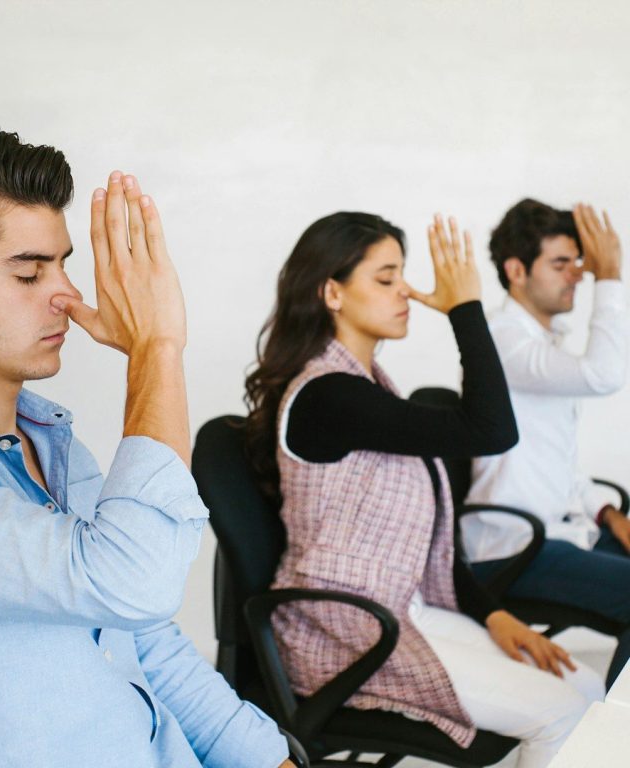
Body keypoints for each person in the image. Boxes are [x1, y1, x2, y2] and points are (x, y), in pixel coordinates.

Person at [0, 127, 293, 768]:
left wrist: (271, 761)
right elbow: (132, 583)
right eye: (30, 271)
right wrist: (156, 352)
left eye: (63, 264)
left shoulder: (57, 448)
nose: (65, 293)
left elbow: (149, 642)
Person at [244, 211, 604, 768]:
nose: (406, 290)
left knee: (585, 688)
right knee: (561, 710)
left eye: (402, 275)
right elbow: (492, 431)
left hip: (406, 610)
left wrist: (496, 617)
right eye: (386, 279)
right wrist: (465, 308)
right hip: (348, 633)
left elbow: (428, 544)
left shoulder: (370, 391)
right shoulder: (329, 396)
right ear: (331, 293)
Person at [464, 197, 630, 686]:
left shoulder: (537, 344)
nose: (576, 274)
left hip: (558, 532)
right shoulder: (502, 341)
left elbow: (554, 458)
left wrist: (606, 512)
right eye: (561, 263)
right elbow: (603, 374)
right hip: (511, 547)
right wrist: (611, 275)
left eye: (578, 263)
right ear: (517, 270)